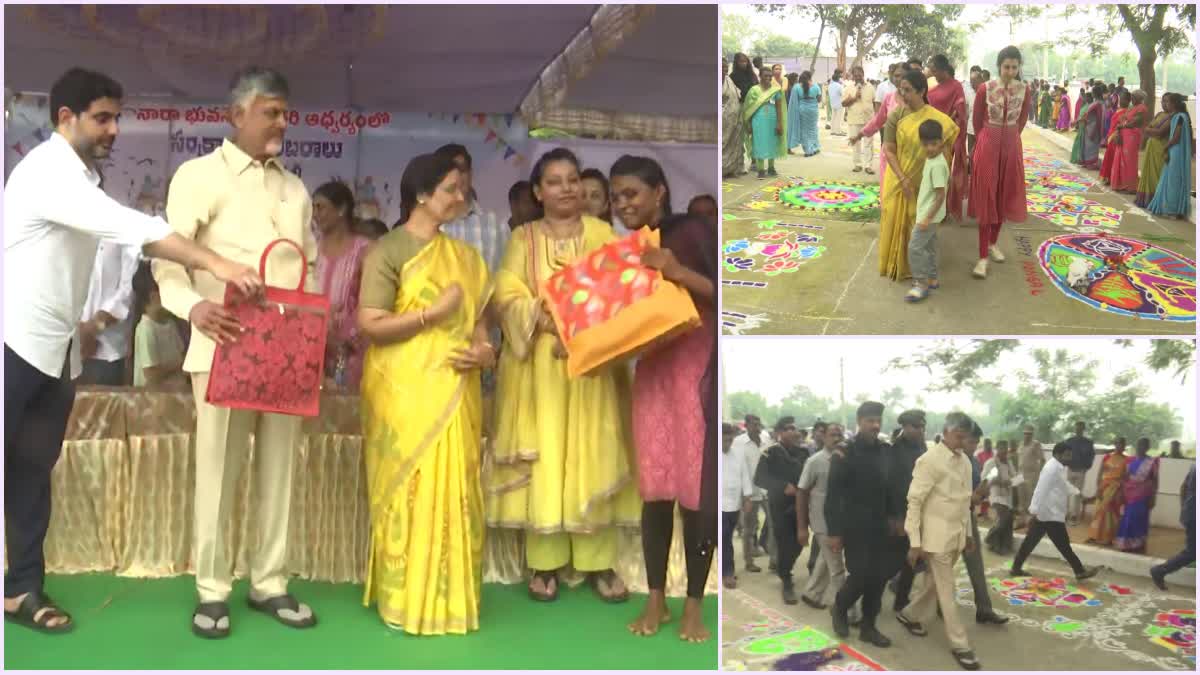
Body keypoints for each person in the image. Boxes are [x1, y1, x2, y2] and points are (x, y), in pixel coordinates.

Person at [4, 67, 261, 635]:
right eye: (102, 118)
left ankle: (21, 589)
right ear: (64, 119)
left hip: (55, 349)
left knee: (30, 471)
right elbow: (129, 227)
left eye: (117, 117)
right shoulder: (48, 172)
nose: (114, 129)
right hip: (11, 343)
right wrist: (215, 263)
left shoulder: (82, 180)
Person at [154, 66, 327, 638]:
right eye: (270, 111)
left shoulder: (295, 189)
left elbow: (309, 266)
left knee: (279, 471)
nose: (282, 121)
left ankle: (269, 582)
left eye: (284, 112)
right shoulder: (199, 176)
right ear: (236, 115)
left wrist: (308, 338)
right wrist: (190, 308)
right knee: (218, 473)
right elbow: (166, 256)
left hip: (284, 355)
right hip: (221, 344)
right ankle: (211, 589)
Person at [489, 148, 639, 607]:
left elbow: (620, 289)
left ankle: (598, 563)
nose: (567, 188)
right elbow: (506, 293)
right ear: (538, 192)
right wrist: (546, 318)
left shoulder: (601, 233)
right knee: (549, 454)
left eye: (573, 179)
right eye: (554, 181)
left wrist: (580, 322)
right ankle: (546, 563)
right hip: (540, 370)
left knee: (593, 450)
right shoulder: (524, 238)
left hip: (591, 366)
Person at [357, 152, 494, 634]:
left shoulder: (468, 260)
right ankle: (402, 600)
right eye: (452, 189)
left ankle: (451, 599)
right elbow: (370, 323)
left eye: (463, 190)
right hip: (403, 392)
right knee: (408, 493)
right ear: (421, 194)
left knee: (456, 488)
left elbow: (481, 329)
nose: (461, 198)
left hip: (455, 391)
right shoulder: (388, 251)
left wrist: (484, 353)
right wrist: (431, 317)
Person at [612, 155, 717, 643]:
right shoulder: (625, 250)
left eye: (631, 193)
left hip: (697, 370)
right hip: (653, 371)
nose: (622, 203)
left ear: (659, 192)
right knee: (655, 488)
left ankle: (693, 603)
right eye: (615, 196)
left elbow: (724, 293)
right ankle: (657, 597)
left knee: (697, 493)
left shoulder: (693, 231)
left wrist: (675, 270)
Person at [896, 412, 980, 671]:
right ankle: (960, 644)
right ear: (946, 432)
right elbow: (915, 501)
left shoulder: (965, 461)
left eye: (966, 437)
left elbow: (965, 502)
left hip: (955, 537)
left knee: (934, 585)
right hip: (935, 539)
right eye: (959, 436)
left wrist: (967, 535)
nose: (962, 441)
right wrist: (915, 542)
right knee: (947, 589)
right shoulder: (929, 460)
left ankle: (909, 614)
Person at [825, 401, 900, 648]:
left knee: (878, 578)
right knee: (860, 575)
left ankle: (869, 626)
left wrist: (894, 518)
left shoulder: (884, 450)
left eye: (878, 420)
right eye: (870, 420)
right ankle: (840, 607)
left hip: (879, 526)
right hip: (854, 526)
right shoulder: (844, 452)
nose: (875, 425)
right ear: (859, 421)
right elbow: (833, 495)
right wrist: (834, 532)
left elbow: (891, 488)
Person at [879, 71, 958, 282]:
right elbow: (889, 149)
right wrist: (903, 178)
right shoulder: (896, 116)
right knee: (899, 223)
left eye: (908, 90)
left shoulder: (936, 119)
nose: (903, 95)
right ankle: (900, 266)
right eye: (901, 90)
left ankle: (922, 274)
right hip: (899, 179)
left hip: (925, 183)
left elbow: (946, 149)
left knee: (921, 229)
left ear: (922, 91)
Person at [968, 46, 1030, 280]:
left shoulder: (1025, 89)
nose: (1010, 71)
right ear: (999, 66)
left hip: (1012, 145)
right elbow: (976, 119)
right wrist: (986, 141)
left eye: (1015, 67)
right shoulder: (986, 88)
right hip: (988, 144)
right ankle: (982, 257)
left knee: (1004, 195)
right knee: (987, 198)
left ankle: (994, 243)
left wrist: (1011, 139)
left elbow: (1023, 118)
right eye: (1007, 67)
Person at [797, 423, 861, 623]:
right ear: (823, 437)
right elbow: (801, 491)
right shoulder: (814, 461)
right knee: (838, 569)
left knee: (826, 560)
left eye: (840, 434)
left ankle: (812, 593)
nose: (837, 438)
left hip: (843, 520)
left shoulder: (848, 459)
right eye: (833, 435)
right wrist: (802, 527)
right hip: (823, 522)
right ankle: (848, 612)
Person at [1010, 442, 1100, 581]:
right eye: (1067, 455)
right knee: (1063, 545)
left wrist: (1076, 492)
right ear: (1058, 454)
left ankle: (1016, 568)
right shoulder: (1052, 468)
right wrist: (1034, 508)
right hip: (1049, 513)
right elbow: (1041, 488)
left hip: (1047, 513)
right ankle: (1079, 571)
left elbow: (1063, 484)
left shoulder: (1057, 467)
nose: (1069, 458)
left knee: (1031, 542)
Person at [312, 180, 371, 390]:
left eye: (321, 207)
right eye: (313, 208)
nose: (315, 214)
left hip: (351, 350)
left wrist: (344, 338)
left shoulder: (365, 249)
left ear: (342, 209)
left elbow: (371, 299)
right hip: (312, 345)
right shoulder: (310, 249)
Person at [755, 417, 810, 605]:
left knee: (799, 543)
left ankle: (784, 567)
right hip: (780, 505)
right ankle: (786, 579)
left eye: (794, 428)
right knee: (785, 543)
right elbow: (760, 478)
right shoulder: (770, 453)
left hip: (801, 504)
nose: (793, 432)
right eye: (788, 429)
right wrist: (781, 486)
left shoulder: (803, 453)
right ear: (779, 432)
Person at [435, 144, 509, 275]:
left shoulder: (496, 226)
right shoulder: (429, 225)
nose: (456, 177)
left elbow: (509, 281)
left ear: (470, 174)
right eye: (448, 170)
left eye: (461, 170)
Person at [78, 239, 140, 386]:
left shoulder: (126, 230)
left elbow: (128, 291)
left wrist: (91, 328)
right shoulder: (72, 225)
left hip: (106, 349)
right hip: (68, 344)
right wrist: (76, 332)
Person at [887, 410, 928, 613]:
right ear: (905, 426)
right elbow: (893, 487)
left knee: (913, 559)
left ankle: (901, 599)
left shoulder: (922, 446)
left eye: (923, 426)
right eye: (917, 426)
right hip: (901, 514)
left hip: (919, 511)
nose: (921, 430)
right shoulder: (895, 450)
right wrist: (897, 518)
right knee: (891, 560)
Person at [905, 119, 950, 303]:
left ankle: (921, 283)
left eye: (934, 143)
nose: (930, 148)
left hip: (929, 216)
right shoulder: (933, 159)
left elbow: (940, 195)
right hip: (930, 214)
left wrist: (926, 218)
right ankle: (932, 278)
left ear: (941, 142)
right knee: (929, 247)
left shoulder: (938, 164)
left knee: (915, 248)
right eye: (926, 144)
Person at [131, 263, 187, 389]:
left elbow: (182, 356)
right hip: (154, 401)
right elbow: (151, 374)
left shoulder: (171, 325)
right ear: (154, 296)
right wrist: (178, 365)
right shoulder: (146, 329)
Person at [926, 55, 968, 222]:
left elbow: (960, 111)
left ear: (943, 69)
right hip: (930, 135)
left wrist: (946, 125)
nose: (933, 73)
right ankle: (931, 207)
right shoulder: (934, 87)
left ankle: (943, 210)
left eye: (935, 70)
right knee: (930, 172)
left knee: (942, 173)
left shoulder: (956, 87)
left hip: (946, 138)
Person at [852, 64, 908, 184]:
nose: (898, 79)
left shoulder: (915, 98)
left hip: (908, 152)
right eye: (896, 75)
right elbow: (877, 121)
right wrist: (859, 135)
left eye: (903, 76)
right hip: (889, 152)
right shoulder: (889, 98)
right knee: (887, 189)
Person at [1147, 92, 1194, 219]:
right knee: (1169, 179)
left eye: (1168, 102)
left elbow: (1176, 137)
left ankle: (1172, 209)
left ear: (1174, 104)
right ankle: (1169, 207)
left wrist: (1166, 147)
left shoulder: (1180, 117)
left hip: (1176, 151)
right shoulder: (1177, 116)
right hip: (1174, 150)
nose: (1166, 104)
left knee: (1173, 180)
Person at [1149, 462, 1194, 591]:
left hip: (1190, 512)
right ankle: (1160, 570)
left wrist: (1184, 508)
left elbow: (1183, 487)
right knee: (1192, 552)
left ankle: (1161, 570)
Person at [733, 415, 769, 573]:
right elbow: (737, 467)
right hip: (750, 492)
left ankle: (774, 559)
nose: (756, 427)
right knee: (748, 529)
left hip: (767, 490)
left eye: (758, 424)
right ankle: (749, 561)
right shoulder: (739, 443)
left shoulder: (766, 440)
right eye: (753, 424)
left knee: (774, 524)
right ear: (746, 425)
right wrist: (743, 493)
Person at [722, 423, 753, 590]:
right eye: (724, 440)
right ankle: (727, 572)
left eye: (730, 440)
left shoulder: (738, 453)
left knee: (726, 538)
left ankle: (726, 570)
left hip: (734, 504)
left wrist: (747, 498)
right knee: (724, 539)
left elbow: (745, 475)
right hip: (717, 505)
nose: (727, 444)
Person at [1114, 438, 1160, 553]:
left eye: (1144, 445)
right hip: (1129, 495)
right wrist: (1121, 492)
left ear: (1148, 447)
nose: (1141, 447)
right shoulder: (1130, 460)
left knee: (1140, 519)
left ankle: (1138, 545)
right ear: (1136, 446)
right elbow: (1125, 477)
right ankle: (1126, 544)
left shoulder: (1152, 462)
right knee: (1127, 518)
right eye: (1139, 445)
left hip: (1143, 495)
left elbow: (1155, 481)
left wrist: (1153, 497)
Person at [743, 67, 785, 179]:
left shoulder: (776, 90)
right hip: (758, 121)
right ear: (760, 76)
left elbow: (779, 107)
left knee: (772, 143)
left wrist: (780, 123)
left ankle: (771, 168)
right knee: (759, 143)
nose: (768, 78)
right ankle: (761, 169)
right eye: (765, 76)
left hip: (772, 120)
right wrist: (749, 124)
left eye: (769, 76)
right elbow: (749, 109)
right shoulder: (754, 90)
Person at [1086, 438, 1128, 546]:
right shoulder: (1107, 457)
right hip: (1104, 487)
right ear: (1115, 445)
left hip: (1116, 488)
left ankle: (1109, 538)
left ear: (1124, 446)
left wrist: (1122, 491)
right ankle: (1094, 536)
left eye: (1122, 444)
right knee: (1098, 511)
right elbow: (1100, 473)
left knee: (1111, 512)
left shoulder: (1128, 460)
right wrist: (1098, 488)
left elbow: (1127, 477)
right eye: (1118, 444)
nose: (1120, 446)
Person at [1135, 95, 1174, 208]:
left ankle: (1158, 200)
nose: (1164, 104)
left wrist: (1150, 130)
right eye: (1162, 101)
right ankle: (1147, 199)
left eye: (1166, 101)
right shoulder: (1159, 114)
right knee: (1148, 173)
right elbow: (1148, 128)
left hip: (1161, 148)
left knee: (1158, 173)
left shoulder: (1172, 117)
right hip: (1151, 146)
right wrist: (1151, 130)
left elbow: (1160, 133)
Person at [982, 440, 1018, 554]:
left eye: (1005, 449)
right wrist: (996, 480)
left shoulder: (1009, 462)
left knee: (1009, 519)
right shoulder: (992, 463)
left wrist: (1011, 481)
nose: (1004, 452)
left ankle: (1001, 545)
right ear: (997, 449)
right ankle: (990, 538)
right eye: (1001, 449)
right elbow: (985, 479)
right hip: (996, 494)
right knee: (1004, 517)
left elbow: (1016, 478)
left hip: (1007, 495)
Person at [843, 66, 876, 173]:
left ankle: (868, 166)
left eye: (859, 75)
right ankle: (857, 164)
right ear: (853, 76)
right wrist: (854, 98)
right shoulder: (848, 87)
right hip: (854, 119)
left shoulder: (871, 87)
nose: (858, 77)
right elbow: (843, 103)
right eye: (855, 75)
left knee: (868, 143)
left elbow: (875, 102)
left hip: (868, 119)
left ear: (863, 74)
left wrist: (875, 118)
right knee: (855, 142)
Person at [1064, 421, 1095, 525]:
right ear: (1075, 429)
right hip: (1070, 470)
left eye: (1080, 428)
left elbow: (1091, 456)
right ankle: (1066, 514)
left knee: (1077, 494)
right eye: (1077, 428)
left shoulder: (1088, 442)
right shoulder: (1069, 441)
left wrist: (1086, 467)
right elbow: (1064, 454)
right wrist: (1066, 463)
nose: (1078, 430)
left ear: (1083, 429)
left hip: (1081, 471)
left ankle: (1074, 516)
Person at [723, 56, 748, 177]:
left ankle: (730, 169)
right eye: (721, 66)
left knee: (735, 143)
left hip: (735, 116)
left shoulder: (729, 80)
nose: (724, 68)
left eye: (725, 66)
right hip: (722, 119)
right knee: (723, 143)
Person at [1099, 91, 1130, 185]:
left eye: (1124, 99)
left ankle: (1113, 178)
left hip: (1117, 136)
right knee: (1109, 157)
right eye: (1121, 99)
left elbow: (1122, 125)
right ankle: (1107, 177)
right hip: (1111, 136)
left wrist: (1116, 134)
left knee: (1114, 158)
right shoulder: (1118, 110)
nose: (1122, 101)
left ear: (1129, 101)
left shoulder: (1127, 112)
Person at [788, 70, 822, 157]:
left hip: (802, 109)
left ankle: (808, 150)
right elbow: (819, 100)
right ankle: (814, 147)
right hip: (813, 110)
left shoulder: (797, 87)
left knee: (804, 130)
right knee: (813, 128)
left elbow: (794, 100)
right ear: (810, 77)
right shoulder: (816, 86)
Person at [1016, 425, 1044, 523]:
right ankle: (1021, 520)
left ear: (1032, 434)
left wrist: (1039, 473)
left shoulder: (1036, 444)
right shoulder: (1021, 444)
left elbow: (1042, 459)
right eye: (1025, 433)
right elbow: (1018, 459)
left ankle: (1030, 521)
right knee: (1021, 498)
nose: (1027, 435)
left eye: (1029, 434)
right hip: (1020, 474)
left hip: (1031, 474)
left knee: (1030, 497)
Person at [1076, 84, 1106, 170]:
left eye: (1092, 92)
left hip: (1092, 128)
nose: (1091, 94)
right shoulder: (1102, 103)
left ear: (1095, 93)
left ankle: (1091, 163)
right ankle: (1091, 162)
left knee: (1090, 146)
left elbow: (1087, 115)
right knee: (1092, 146)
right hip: (1096, 127)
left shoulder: (1096, 104)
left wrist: (1080, 120)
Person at [1069, 93, 1092, 165]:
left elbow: (1084, 117)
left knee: (1082, 143)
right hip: (1081, 127)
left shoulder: (1090, 106)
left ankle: (1080, 159)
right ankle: (1078, 158)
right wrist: (1076, 122)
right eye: (1085, 97)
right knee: (1079, 142)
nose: (1085, 98)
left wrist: (1076, 121)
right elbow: (1080, 116)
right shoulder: (1085, 105)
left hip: (1085, 128)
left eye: (1087, 97)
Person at [828, 69, 845, 137]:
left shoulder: (830, 85)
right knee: (839, 118)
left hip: (833, 103)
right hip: (839, 103)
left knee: (833, 117)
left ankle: (832, 130)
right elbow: (843, 94)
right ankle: (838, 131)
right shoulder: (839, 86)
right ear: (838, 79)